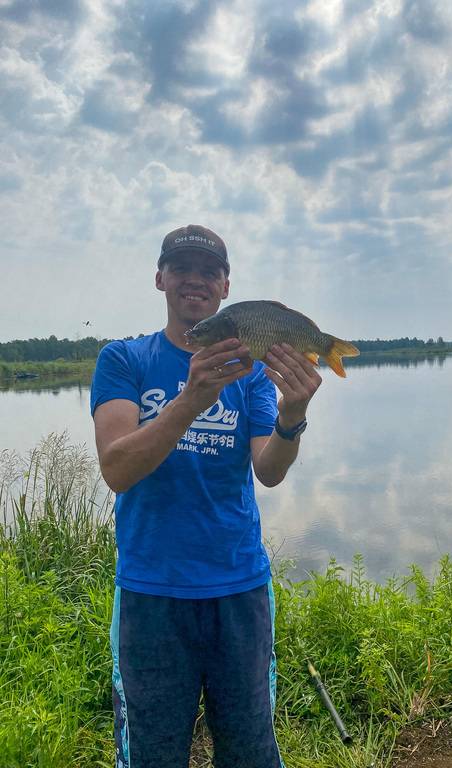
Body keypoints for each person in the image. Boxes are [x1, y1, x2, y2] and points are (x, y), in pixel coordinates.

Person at [90, 224, 322, 768]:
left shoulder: (254, 375)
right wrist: (191, 399)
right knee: (153, 752)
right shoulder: (124, 360)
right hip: (151, 593)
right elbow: (117, 469)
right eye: (181, 268)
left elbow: (270, 471)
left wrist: (292, 419)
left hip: (238, 588)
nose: (194, 279)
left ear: (225, 287)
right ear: (160, 279)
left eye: (208, 271)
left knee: (249, 753)